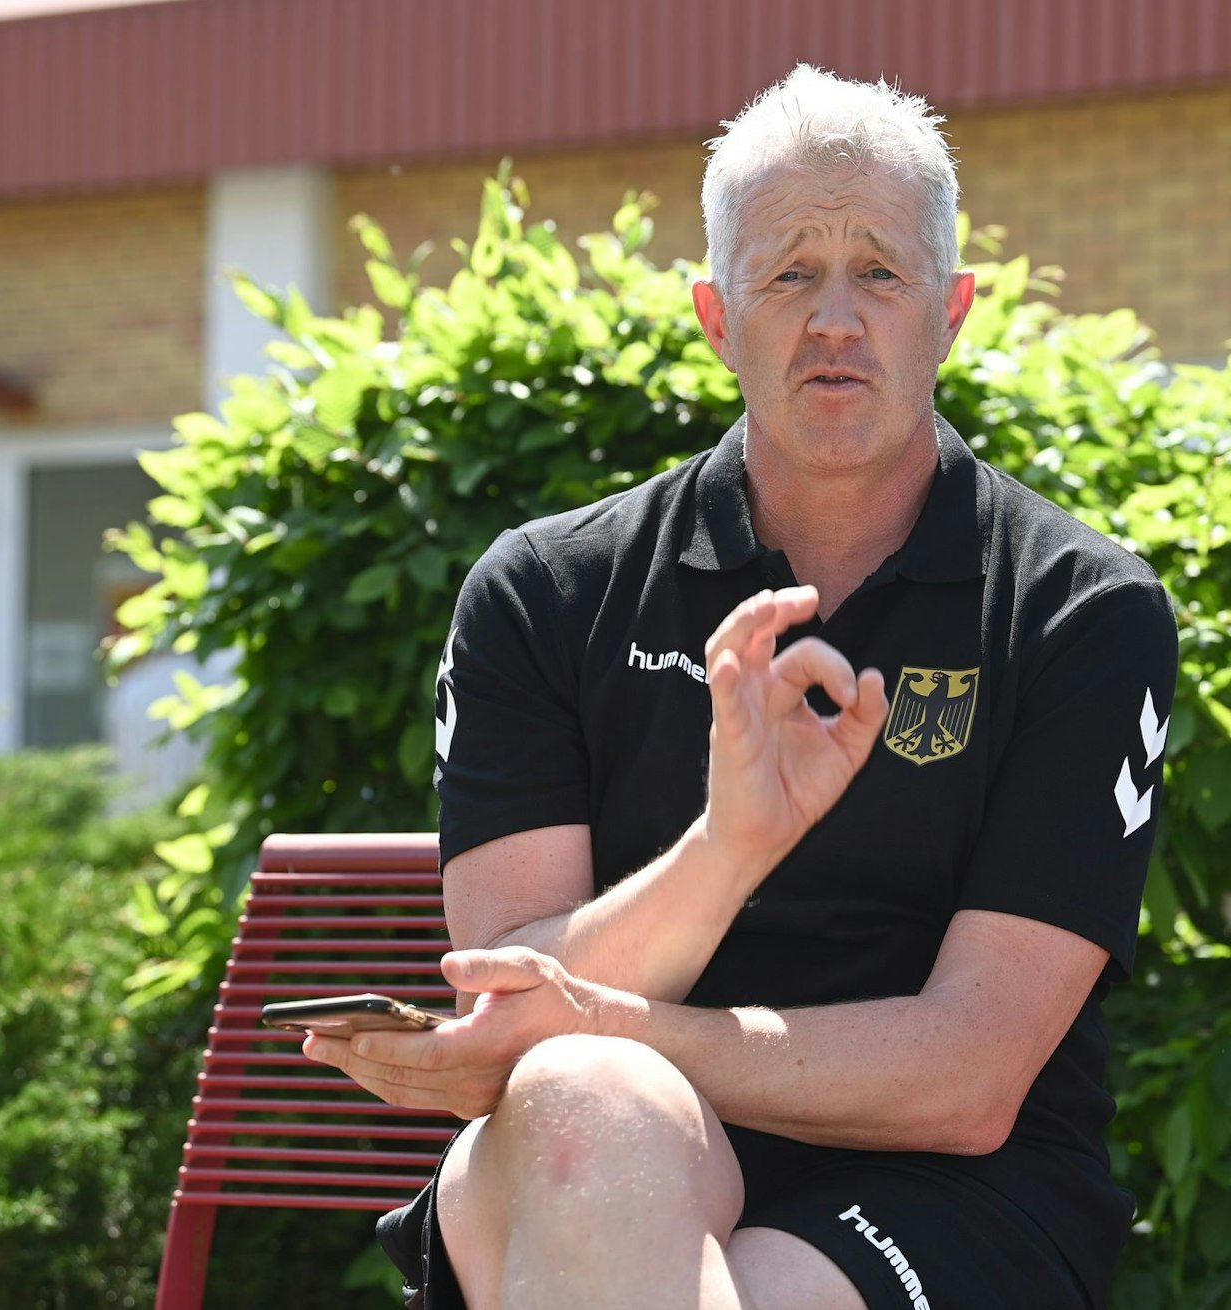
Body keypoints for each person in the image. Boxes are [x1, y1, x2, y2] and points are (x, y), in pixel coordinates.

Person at [304, 63, 1178, 1310]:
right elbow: (510, 990)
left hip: (951, 1186)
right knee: (583, 1101)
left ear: (951, 311)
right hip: (579, 1154)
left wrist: (608, 1025)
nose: (835, 320)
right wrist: (727, 849)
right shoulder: (547, 589)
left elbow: (968, 1077)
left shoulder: (1078, 610)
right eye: (789, 275)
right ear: (717, 319)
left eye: (879, 272)